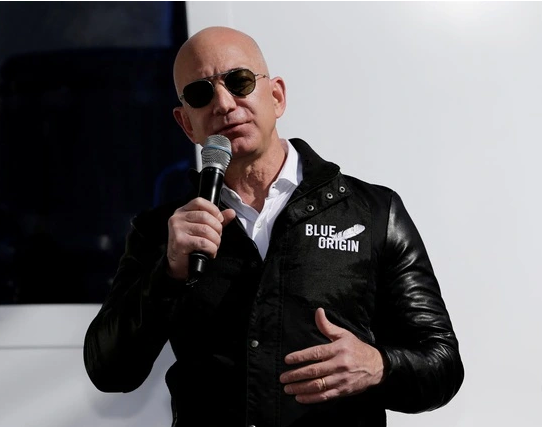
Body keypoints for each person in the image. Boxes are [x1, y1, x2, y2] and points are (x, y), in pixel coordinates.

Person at [84, 26, 464, 426]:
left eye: (239, 81)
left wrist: (377, 366)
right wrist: (167, 273)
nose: (224, 103)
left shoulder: (373, 212)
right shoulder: (163, 231)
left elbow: (441, 363)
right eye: (200, 94)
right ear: (186, 124)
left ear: (277, 96)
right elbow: (108, 371)